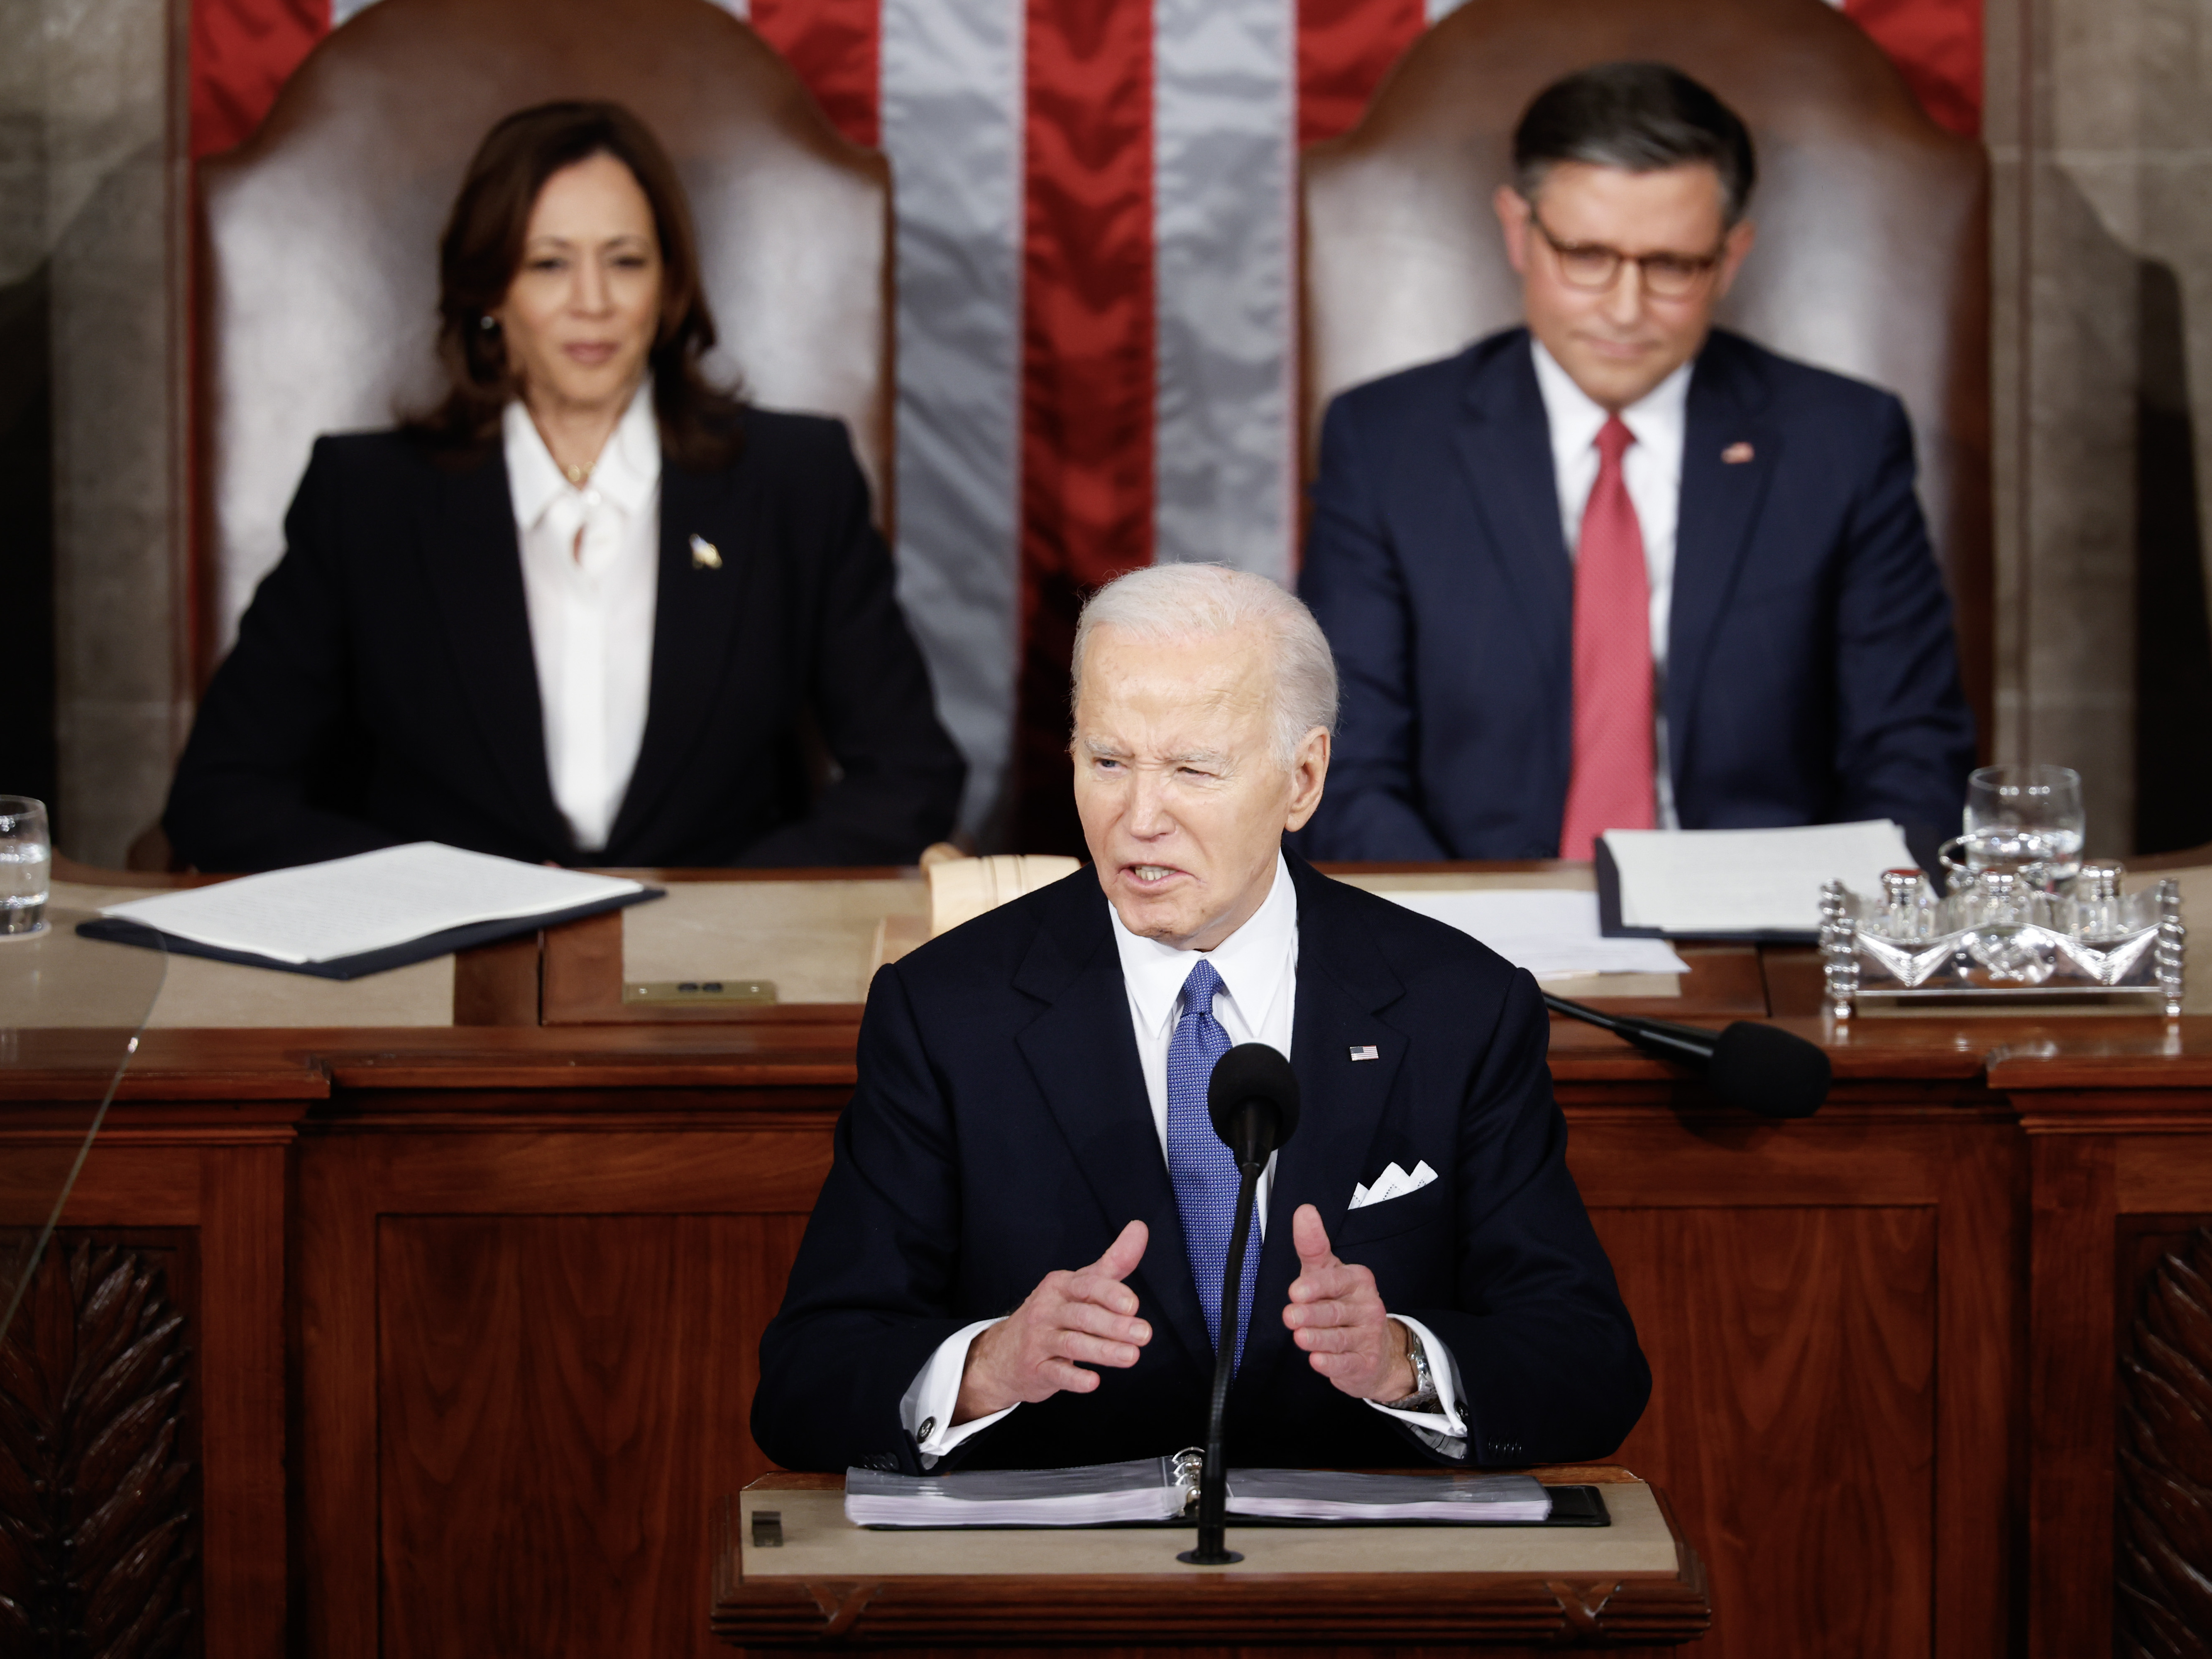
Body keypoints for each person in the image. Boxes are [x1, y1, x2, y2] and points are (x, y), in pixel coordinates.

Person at [753, 563, 1647, 1474]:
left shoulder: (1460, 1008)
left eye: (1191, 769)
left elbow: (1590, 1365)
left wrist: (1403, 1362)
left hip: (1354, 1588)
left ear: (1303, 779)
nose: (1140, 817)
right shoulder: (946, 1014)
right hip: (1056, 1590)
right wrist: (988, 1366)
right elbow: (805, 1383)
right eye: (1108, 763)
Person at [164, 101, 964, 871]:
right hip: (444, 971)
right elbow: (221, 797)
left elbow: (910, 778)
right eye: (549, 263)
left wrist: (711, 910)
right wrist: (445, 891)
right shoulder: (366, 499)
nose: (594, 302)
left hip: (713, 974)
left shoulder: (796, 480)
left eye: (625, 261)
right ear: (490, 297)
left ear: (668, 288)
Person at [1298, 62, 1976, 863]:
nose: (1624, 309)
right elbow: (1344, 763)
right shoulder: (1386, 442)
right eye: (1587, 255)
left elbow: (1912, 755)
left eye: (1671, 266)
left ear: (1730, 256)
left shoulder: (1844, 441)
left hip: (1761, 940)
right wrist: (1460, 957)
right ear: (1519, 231)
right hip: (1476, 933)